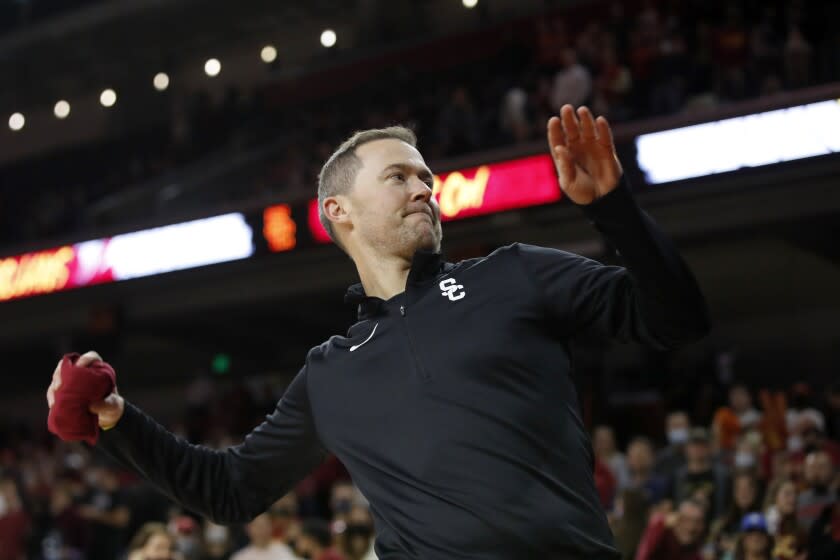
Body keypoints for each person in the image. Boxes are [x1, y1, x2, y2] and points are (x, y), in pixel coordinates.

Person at [46, 104, 710, 559]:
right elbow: (229, 489)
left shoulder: (515, 276)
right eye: (399, 177)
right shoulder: (332, 372)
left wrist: (616, 212)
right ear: (339, 211)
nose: (425, 189)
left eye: (428, 178)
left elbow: (677, 319)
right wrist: (116, 418)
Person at [634, 498, 706, 560]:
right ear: (676, 520)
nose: (691, 527)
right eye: (686, 520)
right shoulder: (662, 538)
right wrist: (659, 525)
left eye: (697, 522)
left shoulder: (696, 550)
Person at [797, 450, 836, 529]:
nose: (816, 472)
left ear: (832, 469)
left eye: (822, 467)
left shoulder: (836, 498)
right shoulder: (796, 499)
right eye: (812, 467)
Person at [230, 513, 296, 560]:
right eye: (258, 526)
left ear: (271, 526)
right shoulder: (240, 557)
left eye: (265, 525)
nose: (262, 529)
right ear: (248, 529)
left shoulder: (283, 550)